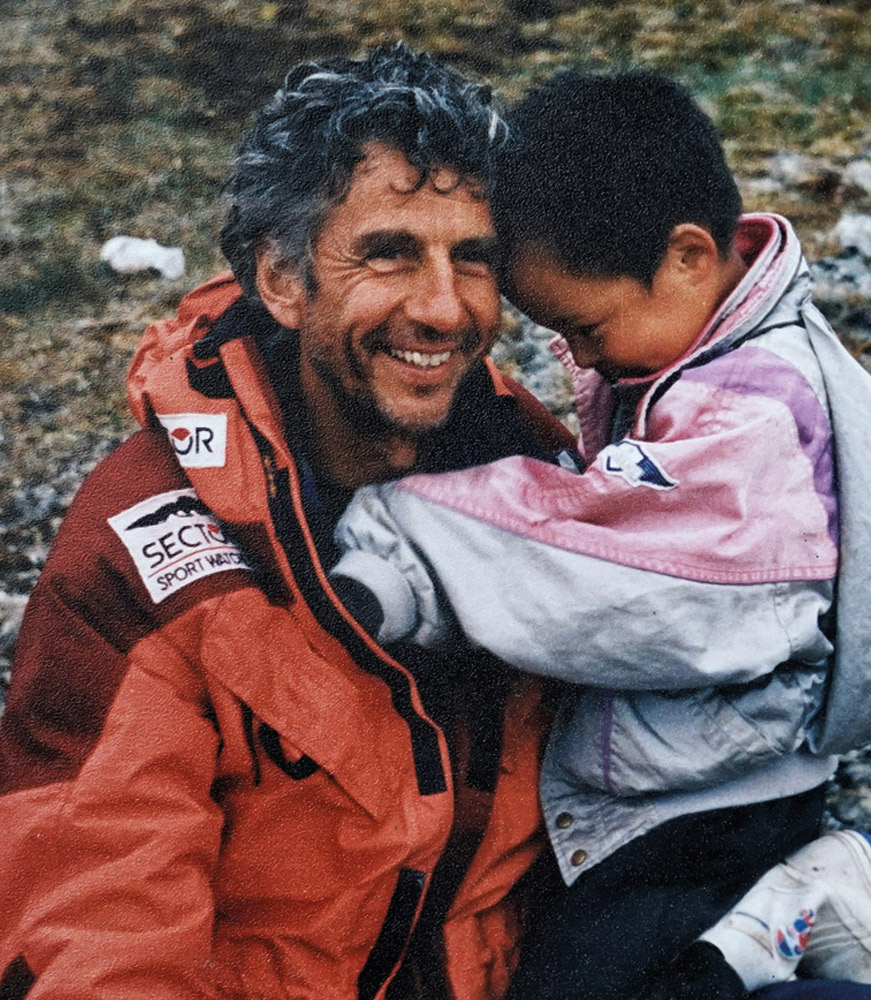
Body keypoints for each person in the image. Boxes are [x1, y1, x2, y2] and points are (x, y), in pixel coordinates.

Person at [326, 70, 871, 1000]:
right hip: (706, 767)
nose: (579, 357)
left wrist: (408, 549)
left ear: (684, 257)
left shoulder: (751, 419)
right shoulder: (705, 352)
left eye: (584, 327)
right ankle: (774, 922)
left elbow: (618, 552)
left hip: (711, 800)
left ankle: (782, 917)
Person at [0, 44, 578, 1000]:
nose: (443, 308)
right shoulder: (147, 553)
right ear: (282, 279)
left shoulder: (542, 483)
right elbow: (95, 925)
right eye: (389, 252)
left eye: (471, 258)